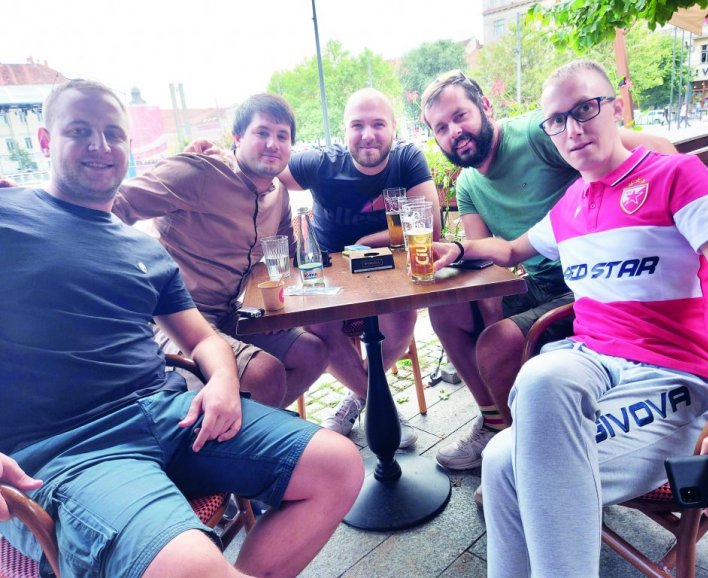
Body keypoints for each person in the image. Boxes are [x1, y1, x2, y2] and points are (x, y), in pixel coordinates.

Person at [0, 79, 363, 578]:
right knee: (194, 565)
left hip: (167, 413)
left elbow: (204, 338)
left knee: (340, 466)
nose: (100, 146)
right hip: (74, 450)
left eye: (113, 133)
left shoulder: (144, 250)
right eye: (79, 131)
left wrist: (223, 381)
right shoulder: (10, 219)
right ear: (45, 141)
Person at [432, 60, 708, 577]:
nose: (572, 129)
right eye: (557, 120)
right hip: (594, 366)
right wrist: (458, 248)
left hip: (675, 382)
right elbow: (510, 249)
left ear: (614, 108)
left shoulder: (674, 176)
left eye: (584, 109)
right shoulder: (571, 203)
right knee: (519, 420)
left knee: (507, 454)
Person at [419, 69, 676, 470]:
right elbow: (490, 258)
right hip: (536, 282)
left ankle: (529, 458)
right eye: (442, 128)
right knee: (447, 310)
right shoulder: (467, 184)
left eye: (460, 116)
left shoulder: (538, 134)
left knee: (497, 343)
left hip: (590, 280)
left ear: (485, 106)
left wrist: (668, 209)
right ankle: (495, 422)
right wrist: (458, 254)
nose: (455, 131)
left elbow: (659, 151)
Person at [113, 94, 328, 409]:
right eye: (262, 132)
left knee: (314, 353)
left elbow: (286, 260)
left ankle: (247, 425)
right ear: (237, 137)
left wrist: (281, 308)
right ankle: (234, 429)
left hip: (229, 312)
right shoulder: (201, 172)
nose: (273, 144)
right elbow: (117, 204)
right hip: (171, 317)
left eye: (282, 136)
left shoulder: (279, 194)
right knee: (265, 375)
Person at [279, 88, 441, 446]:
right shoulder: (321, 163)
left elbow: (430, 227)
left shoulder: (407, 158)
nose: (368, 134)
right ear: (345, 130)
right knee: (316, 323)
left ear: (394, 128)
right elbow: (267, 175)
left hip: (387, 272)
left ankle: (357, 398)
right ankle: (378, 403)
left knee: (403, 315)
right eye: (357, 125)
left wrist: (368, 241)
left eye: (378, 124)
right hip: (330, 276)